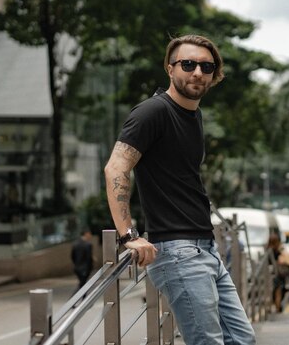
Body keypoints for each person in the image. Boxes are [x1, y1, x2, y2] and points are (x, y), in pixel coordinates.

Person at [104, 35, 256, 345]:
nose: (197, 72)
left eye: (206, 66)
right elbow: (116, 168)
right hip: (177, 250)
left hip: (206, 246)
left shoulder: (193, 116)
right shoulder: (152, 112)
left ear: (215, 74)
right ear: (170, 68)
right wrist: (129, 237)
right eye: (188, 64)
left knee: (242, 340)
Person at [266, 233, 289, 313]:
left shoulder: (267, 250)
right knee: (278, 291)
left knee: (270, 291)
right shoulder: (277, 251)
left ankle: (270, 307)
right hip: (277, 274)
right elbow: (284, 260)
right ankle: (278, 306)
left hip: (268, 274)